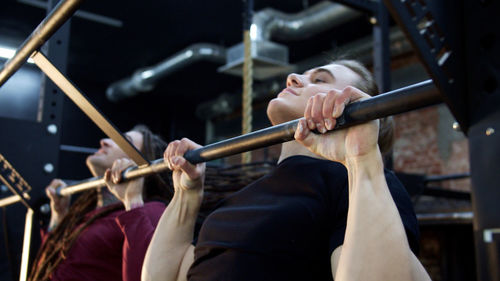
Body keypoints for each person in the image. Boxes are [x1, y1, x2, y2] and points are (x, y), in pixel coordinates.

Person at [142, 60, 431, 281]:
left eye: (319, 79)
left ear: (351, 103)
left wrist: (363, 158)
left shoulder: (356, 183)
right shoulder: (245, 196)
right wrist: (186, 194)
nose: (293, 78)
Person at [28, 125, 173, 281]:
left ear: (141, 162)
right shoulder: (88, 211)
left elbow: (145, 276)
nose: (104, 141)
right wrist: (58, 216)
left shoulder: (150, 210)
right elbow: (48, 266)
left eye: (124, 141)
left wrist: (133, 203)